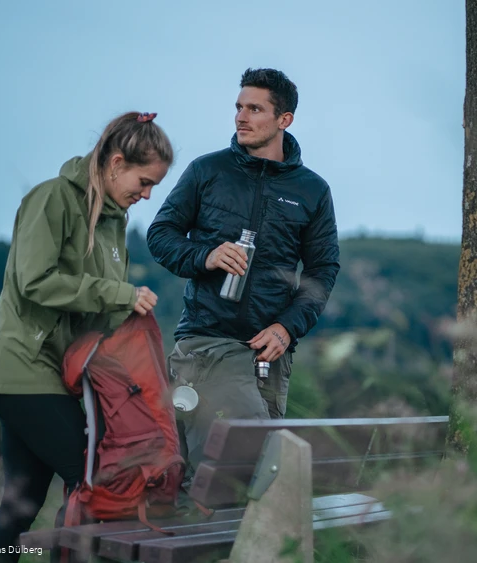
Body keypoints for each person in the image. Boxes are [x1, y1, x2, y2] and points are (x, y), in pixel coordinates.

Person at [0, 111, 173, 562]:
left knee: (19, 505)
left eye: (153, 185)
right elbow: (35, 281)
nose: (147, 194)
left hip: (55, 374)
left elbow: (97, 313)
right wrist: (120, 294)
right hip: (21, 366)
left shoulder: (114, 222)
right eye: (143, 181)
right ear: (116, 163)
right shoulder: (52, 199)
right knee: (96, 479)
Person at [146, 68, 340, 476]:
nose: (241, 117)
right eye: (239, 107)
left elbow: (322, 270)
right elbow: (160, 235)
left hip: (271, 354)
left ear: (284, 120)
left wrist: (287, 328)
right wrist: (206, 256)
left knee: (238, 482)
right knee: (241, 469)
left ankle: (203, 537)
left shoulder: (312, 190)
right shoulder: (207, 171)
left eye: (255, 109)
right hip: (209, 345)